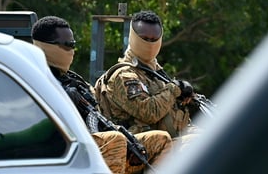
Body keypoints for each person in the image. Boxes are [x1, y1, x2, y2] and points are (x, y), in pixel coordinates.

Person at [31, 16, 172, 174]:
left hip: (89, 142)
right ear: (46, 46)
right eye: (67, 45)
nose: (72, 50)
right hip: (60, 147)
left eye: (73, 45)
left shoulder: (73, 80)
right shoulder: (33, 76)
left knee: (160, 139)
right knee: (115, 140)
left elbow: (98, 114)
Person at [94, 10, 200, 145]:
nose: (149, 44)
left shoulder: (156, 74)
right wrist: (174, 89)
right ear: (133, 37)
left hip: (166, 142)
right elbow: (149, 113)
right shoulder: (124, 75)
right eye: (144, 39)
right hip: (135, 149)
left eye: (154, 40)